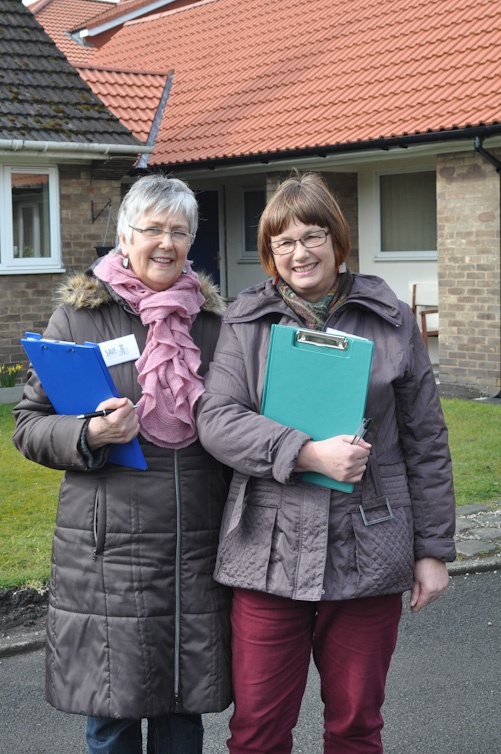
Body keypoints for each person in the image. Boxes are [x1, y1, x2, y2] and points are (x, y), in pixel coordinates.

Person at [196, 171, 455, 754]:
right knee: (257, 730)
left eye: (312, 236)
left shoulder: (388, 317)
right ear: (268, 254)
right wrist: (306, 452)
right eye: (282, 242)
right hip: (267, 547)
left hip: (370, 546)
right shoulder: (246, 320)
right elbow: (216, 421)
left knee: (356, 728)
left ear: (338, 242)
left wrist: (434, 550)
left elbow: (426, 439)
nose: (299, 253)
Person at [12, 174, 232, 754]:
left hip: (195, 544)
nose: (166, 243)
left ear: (191, 241)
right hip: (110, 551)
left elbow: (239, 421)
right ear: (124, 236)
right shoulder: (79, 320)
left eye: (179, 231)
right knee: (112, 711)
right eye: (153, 229)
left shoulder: (213, 324)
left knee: (184, 712)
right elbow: (29, 426)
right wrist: (92, 431)